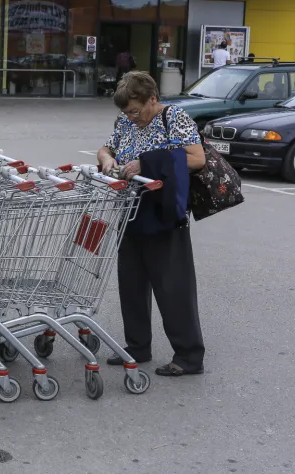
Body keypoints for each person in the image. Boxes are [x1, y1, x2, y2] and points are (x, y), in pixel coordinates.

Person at [96, 71, 207, 377]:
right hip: (130, 209)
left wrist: (147, 163)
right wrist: (106, 159)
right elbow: (108, 147)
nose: (131, 118)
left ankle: (188, 356)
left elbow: (196, 158)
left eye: (135, 110)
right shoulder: (125, 122)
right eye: (125, 112)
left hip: (163, 211)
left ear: (153, 99)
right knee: (131, 283)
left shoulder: (174, 117)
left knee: (173, 288)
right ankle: (137, 346)